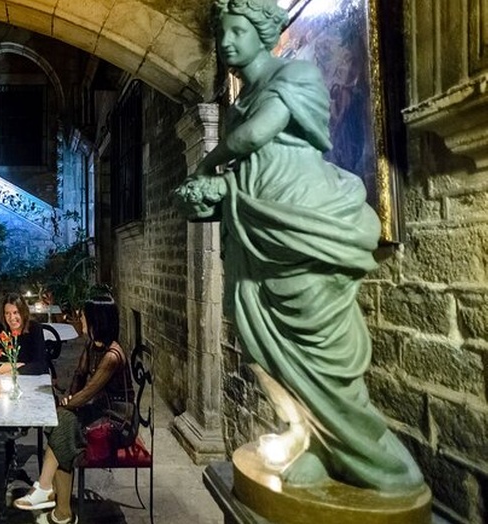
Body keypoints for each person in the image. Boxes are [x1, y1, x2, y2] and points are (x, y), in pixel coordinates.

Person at [174, 0, 424, 493]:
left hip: (300, 220)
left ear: (263, 31)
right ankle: (306, 436)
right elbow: (246, 164)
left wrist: (207, 166)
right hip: (256, 226)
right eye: (223, 32)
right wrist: (213, 195)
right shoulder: (240, 96)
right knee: (258, 336)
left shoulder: (295, 76)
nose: (227, 42)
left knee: (314, 341)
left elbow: (255, 135)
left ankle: (376, 462)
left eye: (238, 30)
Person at [13, 295, 133, 524]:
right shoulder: (92, 345)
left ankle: (50, 495)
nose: (80, 319)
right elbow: (79, 377)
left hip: (117, 419)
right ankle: (60, 510)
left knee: (63, 424)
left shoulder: (112, 355)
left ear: (97, 320)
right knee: (63, 428)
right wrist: (69, 395)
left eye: (84, 315)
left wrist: (67, 403)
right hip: (98, 408)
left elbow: (90, 391)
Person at [0, 293, 48, 376]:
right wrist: (21, 365)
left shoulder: (35, 328)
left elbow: (39, 365)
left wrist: (13, 372)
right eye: (7, 313)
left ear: (23, 312)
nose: (12, 318)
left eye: (15, 312)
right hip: (5, 382)